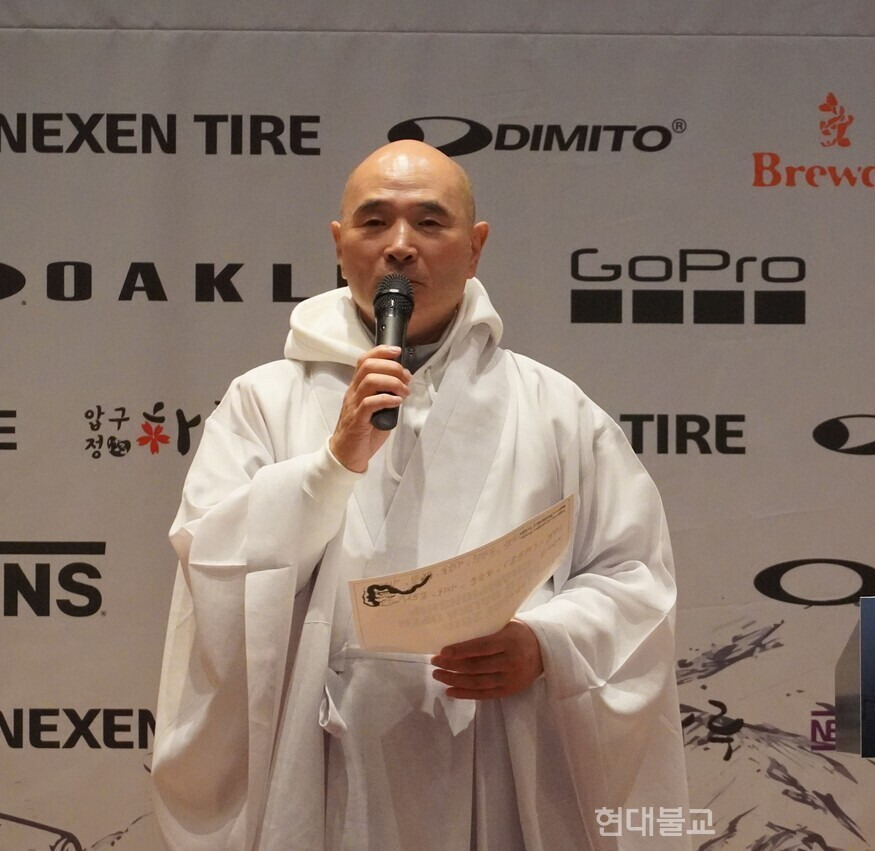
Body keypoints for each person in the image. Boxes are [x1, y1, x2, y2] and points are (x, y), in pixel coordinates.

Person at [151, 140, 689, 850]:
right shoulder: (265, 400)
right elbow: (214, 562)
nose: (400, 246)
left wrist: (546, 643)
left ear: (476, 246)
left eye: (429, 222)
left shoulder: (555, 410)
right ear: (339, 244)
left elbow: (633, 575)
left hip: (491, 751)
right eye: (374, 222)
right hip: (323, 759)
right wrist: (331, 467)